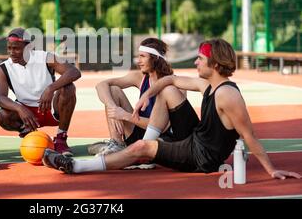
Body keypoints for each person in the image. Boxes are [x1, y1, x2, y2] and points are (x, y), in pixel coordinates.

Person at [42, 39, 301, 180]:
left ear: (215, 62)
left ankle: (76, 167)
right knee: (166, 91)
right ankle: (143, 151)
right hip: (194, 139)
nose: (196, 61)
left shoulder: (228, 95)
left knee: (142, 147)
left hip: (202, 158)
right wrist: (146, 96)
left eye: (201, 58)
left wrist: (271, 170)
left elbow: (249, 136)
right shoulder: (208, 85)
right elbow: (170, 81)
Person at [87, 37, 191, 156]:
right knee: (113, 90)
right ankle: (117, 144)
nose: (138, 61)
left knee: (155, 147)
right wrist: (113, 109)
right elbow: (101, 85)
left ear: (155, 58)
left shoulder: (175, 86)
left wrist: (125, 115)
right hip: (137, 131)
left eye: (142, 56)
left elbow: (162, 127)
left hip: (160, 138)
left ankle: (136, 153)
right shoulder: (139, 77)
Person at [0, 28, 81, 156]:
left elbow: (74, 72)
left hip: (49, 108)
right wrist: (19, 108)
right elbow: (0, 98)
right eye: (9, 48)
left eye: (16, 48)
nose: (11, 52)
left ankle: (61, 139)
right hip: (28, 114)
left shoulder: (45, 57)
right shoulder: (4, 68)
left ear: (29, 47)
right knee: (3, 115)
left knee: (68, 88)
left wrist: (50, 88)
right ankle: (30, 134)